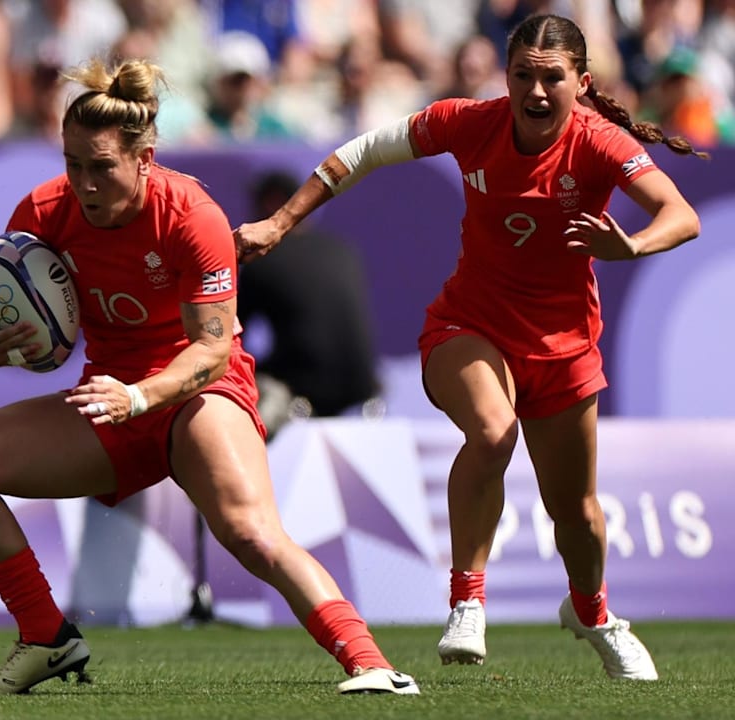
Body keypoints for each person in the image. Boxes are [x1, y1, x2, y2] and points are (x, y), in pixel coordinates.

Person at [0, 56, 420, 697]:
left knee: (251, 533)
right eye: (73, 164)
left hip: (198, 393)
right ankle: (47, 637)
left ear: (145, 158)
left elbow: (211, 350)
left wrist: (141, 395)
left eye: (102, 166)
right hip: (113, 396)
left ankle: (371, 664)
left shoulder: (192, 215)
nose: (84, 183)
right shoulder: (44, 209)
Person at [234, 13, 703, 680]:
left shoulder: (598, 143)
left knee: (579, 515)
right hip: (468, 325)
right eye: (523, 76)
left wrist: (630, 246)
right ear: (504, 76)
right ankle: (467, 601)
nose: (536, 92)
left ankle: (594, 612)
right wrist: (282, 221)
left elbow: (679, 214)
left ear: (582, 82)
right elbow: (363, 151)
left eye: (552, 79)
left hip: (563, 346)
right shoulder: (467, 122)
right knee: (491, 430)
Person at [236, 170, 379, 434]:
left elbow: (230, 337)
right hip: (365, 393)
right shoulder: (342, 250)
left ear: (271, 202)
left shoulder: (262, 260)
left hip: (304, 396)